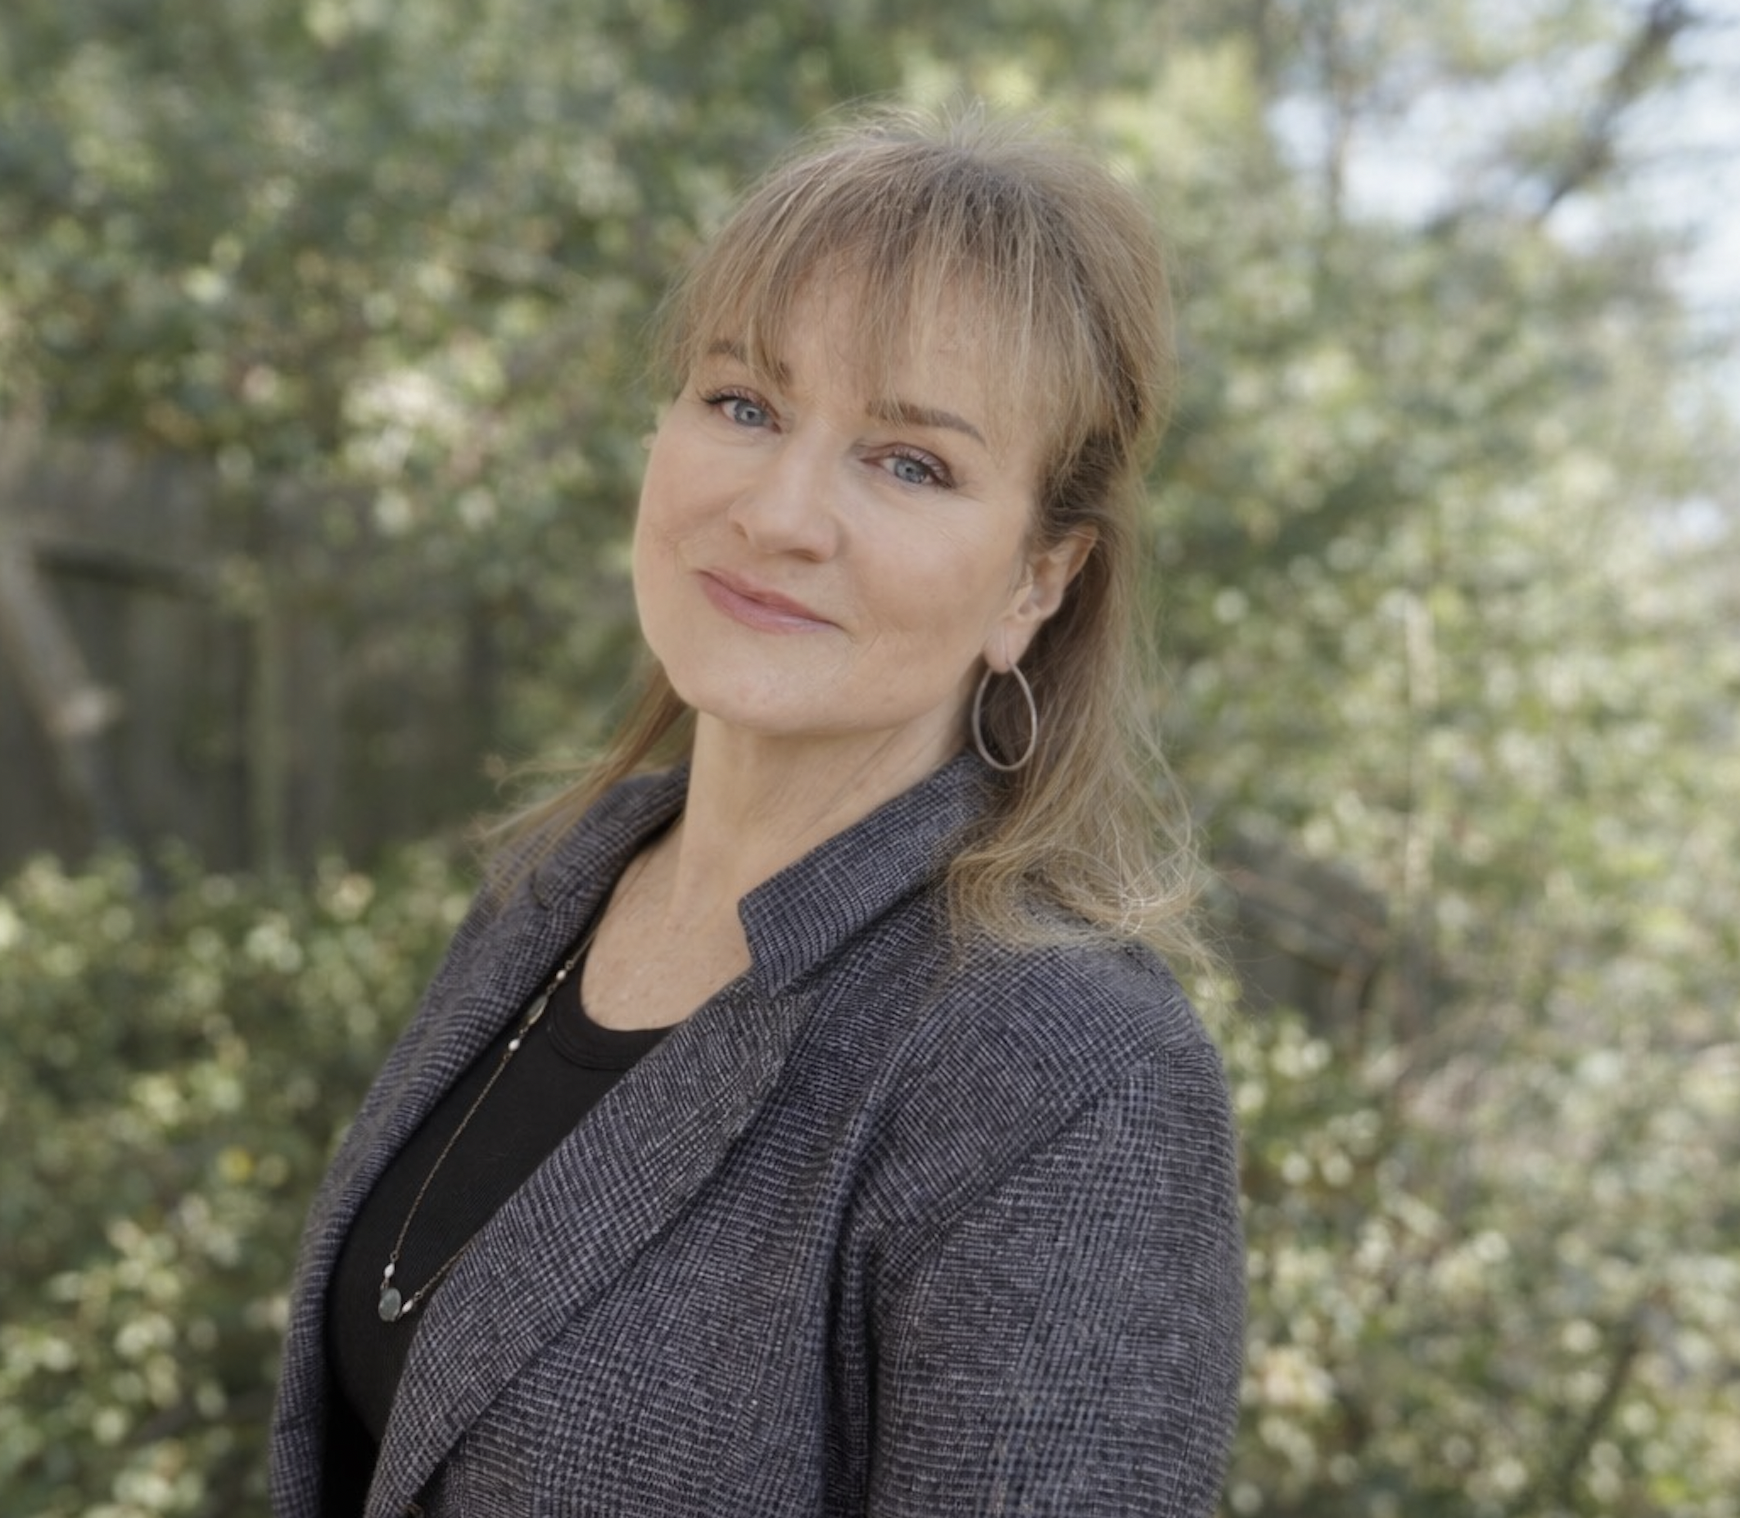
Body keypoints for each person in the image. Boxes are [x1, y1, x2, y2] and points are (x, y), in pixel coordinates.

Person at [269, 102, 1244, 1518]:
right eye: (745, 405)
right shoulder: (559, 884)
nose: (780, 511)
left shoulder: (1067, 1073)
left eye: (910, 463)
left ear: (1038, 582)